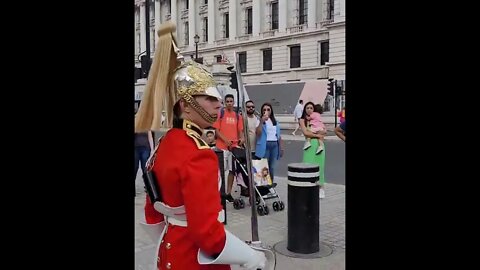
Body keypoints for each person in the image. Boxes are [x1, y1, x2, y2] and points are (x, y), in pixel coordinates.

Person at [134, 22, 266, 270]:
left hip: (169, 250)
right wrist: (248, 255)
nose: (218, 105)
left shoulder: (165, 143)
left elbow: (152, 213)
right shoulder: (199, 155)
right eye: (209, 98)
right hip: (196, 259)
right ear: (185, 106)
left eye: (217, 98)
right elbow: (208, 235)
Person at [213, 94, 245, 202]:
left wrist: (242, 139)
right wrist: (225, 140)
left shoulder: (237, 116)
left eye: (231, 101)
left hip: (233, 148)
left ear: (234, 102)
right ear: (225, 103)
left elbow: (241, 131)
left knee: (232, 171)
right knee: (220, 171)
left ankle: (228, 193)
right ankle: (219, 193)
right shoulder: (220, 114)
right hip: (221, 147)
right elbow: (216, 131)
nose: (229, 103)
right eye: (227, 101)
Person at [300, 102, 327, 199]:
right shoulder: (303, 120)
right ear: (305, 109)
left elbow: (324, 131)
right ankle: (308, 189)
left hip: (319, 146)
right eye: (307, 108)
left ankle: (321, 188)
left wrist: (320, 134)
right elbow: (306, 133)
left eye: (311, 108)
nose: (309, 109)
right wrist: (318, 135)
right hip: (309, 146)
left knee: (320, 167)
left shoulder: (317, 119)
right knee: (307, 166)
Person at [255, 103, 284, 183]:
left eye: (268, 109)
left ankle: (270, 183)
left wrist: (281, 148)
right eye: (264, 110)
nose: (266, 111)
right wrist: (261, 121)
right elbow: (258, 133)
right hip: (265, 144)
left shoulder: (275, 122)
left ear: (271, 111)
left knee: (272, 166)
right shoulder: (260, 120)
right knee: (264, 166)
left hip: (274, 145)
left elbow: (279, 136)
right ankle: (264, 184)